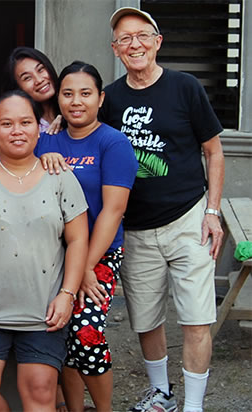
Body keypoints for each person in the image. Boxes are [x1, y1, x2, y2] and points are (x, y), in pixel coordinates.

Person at [100, 8, 225, 412]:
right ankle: (161, 394)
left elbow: (214, 151)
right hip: (135, 227)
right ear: (116, 50)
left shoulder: (185, 87)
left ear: (157, 41)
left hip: (189, 219)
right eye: (124, 39)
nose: (134, 44)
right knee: (146, 318)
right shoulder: (111, 98)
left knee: (196, 317)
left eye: (141, 35)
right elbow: (86, 134)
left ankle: (193, 405)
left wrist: (213, 211)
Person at [0, 90, 90, 411]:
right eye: (7, 123)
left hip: (44, 312)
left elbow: (79, 239)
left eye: (25, 122)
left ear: (38, 128)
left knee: (41, 392)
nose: (17, 131)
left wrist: (66, 294)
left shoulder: (60, 177)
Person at [35, 61, 138, 412]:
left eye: (85, 93)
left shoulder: (114, 143)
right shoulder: (46, 143)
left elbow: (113, 210)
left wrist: (84, 267)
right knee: (61, 330)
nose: (75, 101)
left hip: (100, 254)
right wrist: (44, 149)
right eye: (67, 93)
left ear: (100, 98)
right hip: (52, 256)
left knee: (86, 331)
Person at [0, 46, 60, 160]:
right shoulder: (11, 125)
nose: (39, 80)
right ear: (18, 88)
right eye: (27, 78)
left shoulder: (73, 114)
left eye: (40, 70)